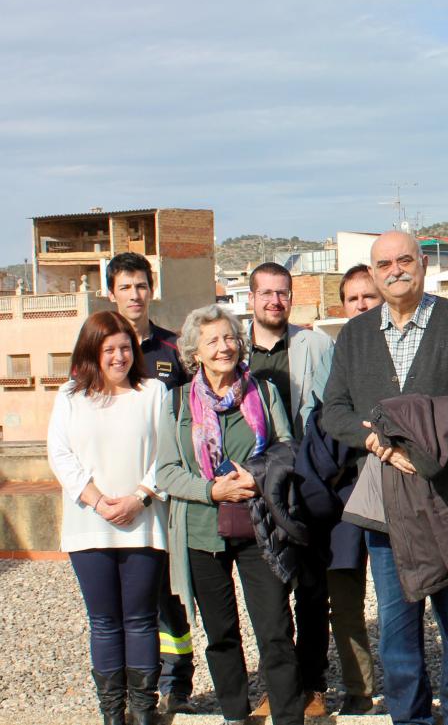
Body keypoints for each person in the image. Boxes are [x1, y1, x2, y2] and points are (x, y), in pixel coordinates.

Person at [323, 231, 448, 725]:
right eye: (384, 264)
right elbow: (334, 411)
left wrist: (409, 435)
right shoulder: (355, 335)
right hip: (386, 505)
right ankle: (411, 718)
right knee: (397, 628)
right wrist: (378, 442)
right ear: (373, 273)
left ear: (422, 264)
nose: (395, 270)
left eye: (404, 260)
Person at [155, 304, 304, 725]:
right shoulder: (177, 403)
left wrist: (257, 476)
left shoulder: (263, 393)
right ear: (195, 353)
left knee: (275, 629)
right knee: (220, 634)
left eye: (229, 338)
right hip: (202, 531)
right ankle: (235, 714)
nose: (224, 347)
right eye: (213, 341)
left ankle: (288, 716)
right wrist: (211, 490)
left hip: (259, 527)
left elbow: (287, 448)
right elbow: (166, 471)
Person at [48, 311, 169, 725]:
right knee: (103, 622)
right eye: (109, 349)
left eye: (125, 348)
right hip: (89, 526)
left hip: (143, 524)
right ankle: (113, 713)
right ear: (91, 353)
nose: (119, 357)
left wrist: (139, 497)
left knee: (140, 620)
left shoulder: (153, 392)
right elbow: (60, 455)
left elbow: (167, 454)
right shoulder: (69, 396)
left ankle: (144, 709)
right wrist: (98, 501)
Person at [105, 251, 197, 715]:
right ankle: (130, 686)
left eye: (141, 285)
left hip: (164, 494)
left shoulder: (172, 349)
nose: (135, 295)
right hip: (116, 498)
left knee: (168, 595)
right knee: (120, 603)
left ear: (151, 288)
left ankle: (177, 684)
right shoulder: (100, 350)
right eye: (125, 287)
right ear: (111, 294)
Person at [245, 261, 335, 716]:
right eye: (266, 293)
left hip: (306, 485)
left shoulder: (315, 345)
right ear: (251, 299)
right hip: (254, 490)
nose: (275, 301)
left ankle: (314, 683)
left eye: (282, 293)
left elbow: (334, 408)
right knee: (269, 600)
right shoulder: (233, 350)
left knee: (313, 593)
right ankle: (279, 687)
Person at [316, 263, 382, 716]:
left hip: (391, 487)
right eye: (353, 299)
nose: (361, 305)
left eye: (368, 296)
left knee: (402, 595)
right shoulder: (334, 356)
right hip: (341, 496)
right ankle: (358, 687)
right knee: (344, 599)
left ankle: (410, 682)